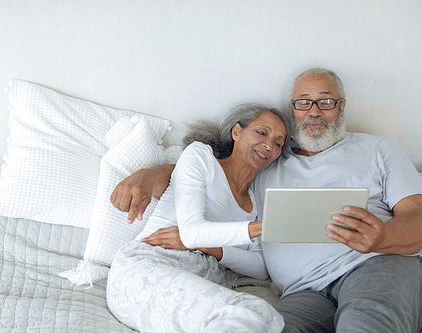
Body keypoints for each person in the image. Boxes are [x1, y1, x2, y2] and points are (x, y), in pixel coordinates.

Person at [110, 68, 422, 332]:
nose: (314, 111)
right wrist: (149, 175)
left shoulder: (378, 149)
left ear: (341, 107)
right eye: (304, 103)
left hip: (373, 264)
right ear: (293, 110)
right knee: (266, 326)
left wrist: (383, 237)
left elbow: (416, 215)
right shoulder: (269, 163)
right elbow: (212, 172)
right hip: (304, 291)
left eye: (325, 101)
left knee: (364, 324)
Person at [106, 104, 289, 333]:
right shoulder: (200, 157)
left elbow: (260, 267)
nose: (268, 144)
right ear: (236, 131)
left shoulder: (258, 202)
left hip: (197, 283)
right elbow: (191, 232)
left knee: (258, 316)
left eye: (278, 143)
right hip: (148, 265)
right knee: (248, 313)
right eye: (262, 132)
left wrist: (211, 248)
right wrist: (260, 228)